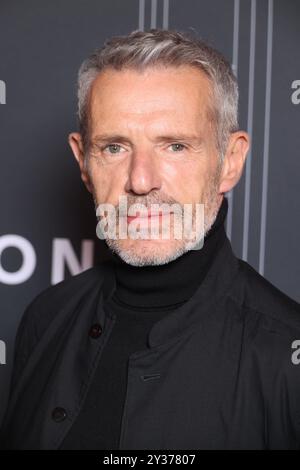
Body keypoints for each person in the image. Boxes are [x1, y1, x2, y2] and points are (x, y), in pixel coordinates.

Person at [1, 28, 300, 450]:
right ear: (83, 162)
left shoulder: (286, 354)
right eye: (114, 148)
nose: (141, 181)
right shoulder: (46, 318)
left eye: (175, 146)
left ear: (230, 161)